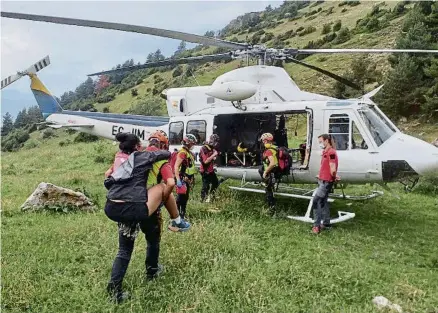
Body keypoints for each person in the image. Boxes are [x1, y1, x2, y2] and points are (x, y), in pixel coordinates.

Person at [103, 132, 171, 303]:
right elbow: (165, 154)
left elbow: (107, 176)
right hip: (134, 206)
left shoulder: (119, 159)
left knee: (123, 249)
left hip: (113, 206)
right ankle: (152, 270)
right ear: (136, 148)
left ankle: (114, 288)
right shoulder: (141, 157)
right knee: (152, 238)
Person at [312, 134, 339, 234]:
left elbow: (332, 169)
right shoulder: (325, 152)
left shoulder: (331, 152)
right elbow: (326, 167)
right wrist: (320, 175)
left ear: (327, 141)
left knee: (316, 201)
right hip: (322, 180)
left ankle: (316, 226)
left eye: (321, 141)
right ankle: (326, 223)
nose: (320, 144)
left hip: (326, 182)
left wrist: (334, 176)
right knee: (323, 202)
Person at [174, 134, 197, 219]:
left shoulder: (188, 153)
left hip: (187, 179)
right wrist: (178, 180)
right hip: (182, 178)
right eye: (192, 143)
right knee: (180, 198)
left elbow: (190, 167)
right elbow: (176, 166)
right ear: (188, 143)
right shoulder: (183, 153)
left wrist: (192, 178)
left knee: (185, 197)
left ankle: (182, 214)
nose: (193, 145)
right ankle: (176, 216)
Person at [258, 132, 278, 215]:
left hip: (270, 172)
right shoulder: (275, 148)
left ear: (265, 141)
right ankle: (272, 208)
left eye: (263, 141)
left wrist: (265, 172)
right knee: (270, 191)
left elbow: (272, 163)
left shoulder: (268, 151)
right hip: (275, 172)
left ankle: (272, 211)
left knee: (269, 191)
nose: (262, 142)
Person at [199, 134, 220, 202]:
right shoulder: (204, 148)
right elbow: (205, 161)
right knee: (206, 186)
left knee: (215, 183)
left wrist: (214, 158)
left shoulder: (212, 148)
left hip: (210, 170)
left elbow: (211, 158)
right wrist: (214, 154)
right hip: (205, 170)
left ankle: (211, 196)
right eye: (215, 142)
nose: (216, 144)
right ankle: (203, 200)